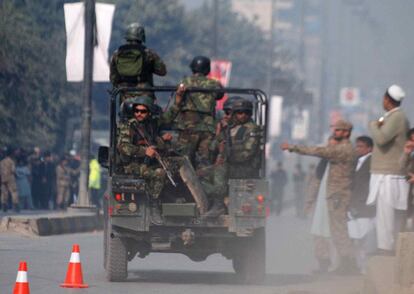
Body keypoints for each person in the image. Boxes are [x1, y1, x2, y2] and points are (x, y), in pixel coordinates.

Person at [281, 119, 357, 274]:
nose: (334, 133)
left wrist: (292, 147)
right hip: (329, 195)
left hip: (337, 195)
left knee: (339, 230)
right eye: (334, 130)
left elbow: (319, 151)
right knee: (323, 231)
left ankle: (348, 263)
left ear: (346, 132)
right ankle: (330, 262)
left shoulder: (345, 149)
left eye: (338, 130)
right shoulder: (334, 154)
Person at [117, 87, 184, 224]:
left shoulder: (151, 124)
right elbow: (123, 147)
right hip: (133, 165)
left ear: (149, 112)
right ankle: (154, 205)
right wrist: (144, 151)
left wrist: (177, 101)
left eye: (143, 111)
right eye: (137, 111)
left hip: (150, 162)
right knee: (159, 173)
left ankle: (171, 197)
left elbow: (168, 116)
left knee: (176, 165)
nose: (139, 114)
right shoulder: (128, 126)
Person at [366, 84, 410, 254]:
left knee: (387, 214)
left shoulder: (397, 117)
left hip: (389, 173)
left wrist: (372, 125)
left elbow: (382, 138)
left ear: (386, 99)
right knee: (382, 214)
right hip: (383, 172)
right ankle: (383, 245)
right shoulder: (392, 117)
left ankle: (386, 248)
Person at [174, 56, 223, 168]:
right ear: (207, 70)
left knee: (183, 160)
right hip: (207, 127)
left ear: (192, 68)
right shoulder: (214, 84)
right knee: (204, 161)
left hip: (187, 125)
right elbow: (220, 94)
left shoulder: (184, 82)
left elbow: (178, 98)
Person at [110, 23, 167, 100]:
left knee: (124, 111)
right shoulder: (149, 53)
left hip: (125, 95)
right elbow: (162, 71)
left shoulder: (117, 53)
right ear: (142, 36)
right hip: (145, 94)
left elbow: (113, 78)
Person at [347, 136, 376, 273]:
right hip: (354, 205)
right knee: (355, 237)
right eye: (356, 146)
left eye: (361, 146)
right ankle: (360, 266)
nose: (357, 149)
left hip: (364, 205)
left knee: (365, 237)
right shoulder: (357, 161)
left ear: (369, 148)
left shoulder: (372, 161)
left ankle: (366, 267)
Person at [0, 147, 20, 212]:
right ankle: (16, 206)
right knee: (14, 191)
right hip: (10, 178)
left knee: (4, 192)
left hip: (3, 178)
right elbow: (13, 170)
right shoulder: (11, 161)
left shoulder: (1, 162)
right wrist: (16, 175)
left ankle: (4, 205)